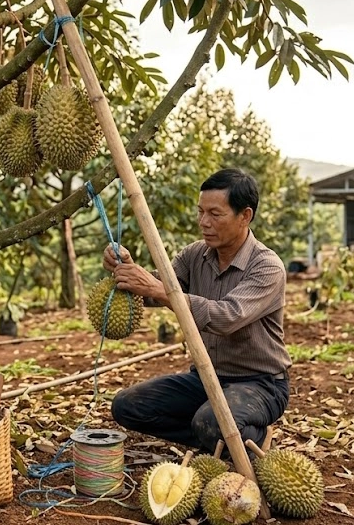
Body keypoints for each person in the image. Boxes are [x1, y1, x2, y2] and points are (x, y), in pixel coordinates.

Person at [103, 168, 290, 453]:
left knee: (211, 422)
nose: (204, 222)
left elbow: (227, 317)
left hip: (260, 384)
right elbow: (158, 288)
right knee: (127, 406)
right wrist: (127, 270)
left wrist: (156, 289)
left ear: (245, 216)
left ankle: (245, 436)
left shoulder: (266, 266)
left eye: (215, 214)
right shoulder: (194, 255)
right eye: (201, 212)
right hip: (205, 377)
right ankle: (218, 438)